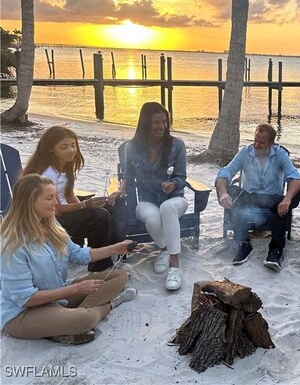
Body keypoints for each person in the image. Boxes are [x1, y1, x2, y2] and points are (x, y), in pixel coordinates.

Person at [1, 174, 137, 345]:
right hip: (22, 313)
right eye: (49, 198)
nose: (56, 203)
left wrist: (116, 248)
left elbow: (77, 255)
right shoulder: (12, 244)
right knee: (84, 319)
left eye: (55, 197)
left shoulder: (51, 225)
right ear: (29, 202)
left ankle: (64, 321)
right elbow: (26, 299)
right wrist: (75, 289)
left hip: (56, 298)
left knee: (119, 276)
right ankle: (108, 306)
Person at [22, 125, 125, 273]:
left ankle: (114, 251)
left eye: (73, 145)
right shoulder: (47, 174)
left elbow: (69, 195)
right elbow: (55, 209)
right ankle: (100, 266)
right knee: (100, 216)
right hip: (52, 221)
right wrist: (85, 206)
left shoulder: (64, 166)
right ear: (51, 149)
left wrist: (86, 207)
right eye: (64, 147)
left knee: (114, 204)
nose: (71, 150)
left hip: (66, 214)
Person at [108, 102, 188, 291]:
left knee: (167, 208)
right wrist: (121, 189)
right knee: (151, 216)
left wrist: (173, 184)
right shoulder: (132, 148)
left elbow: (181, 177)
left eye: (164, 122)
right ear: (145, 124)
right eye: (156, 123)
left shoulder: (177, 145)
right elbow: (127, 175)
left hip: (175, 199)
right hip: (147, 199)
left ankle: (174, 267)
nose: (162, 127)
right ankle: (165, 249)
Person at [216, 123, 300, 271]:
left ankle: (275, 250)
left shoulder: (280, 154)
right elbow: (225, 173)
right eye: (255, 140)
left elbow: (296, 179)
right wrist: (223, 193)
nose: (256, 145)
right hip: (250, 196)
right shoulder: (245, 152)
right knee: (231, 190)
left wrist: (287, 198)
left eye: (261, 143)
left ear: (271, 144)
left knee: (285, 202)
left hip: (273, 198)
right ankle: (244, 244)